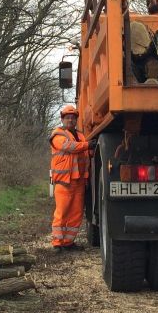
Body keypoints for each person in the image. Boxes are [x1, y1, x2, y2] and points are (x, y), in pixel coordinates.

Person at [49, 104, 91, 251]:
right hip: (64, 181)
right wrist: (87, 145)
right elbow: (69, 147)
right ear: (62, 119)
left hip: (78, 181)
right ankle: (57, 243)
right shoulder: (58, 135)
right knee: (61, 213)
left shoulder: (80, 136)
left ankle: (68, 242)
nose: (70, 120)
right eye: (67, 118)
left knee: (76, 213)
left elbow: (84, 155)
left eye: (73, 118)